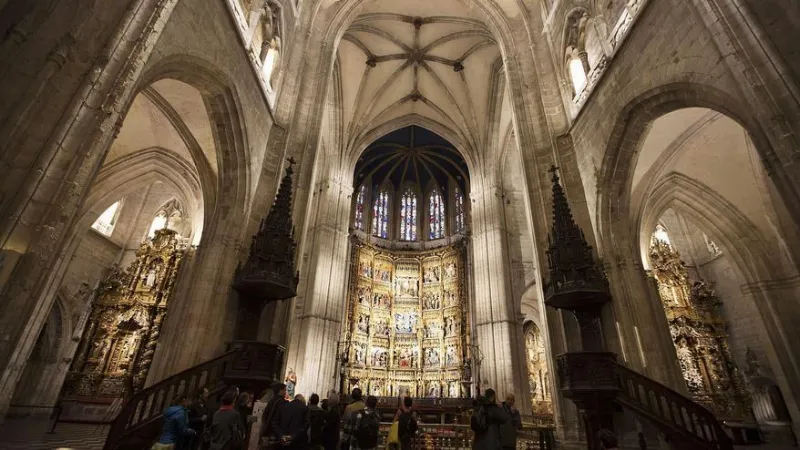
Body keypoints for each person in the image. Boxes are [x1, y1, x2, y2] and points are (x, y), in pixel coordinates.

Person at [259, 383, 288, 448]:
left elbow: (264, 416)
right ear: (280, 391)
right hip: (276, 435)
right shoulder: (282, 403)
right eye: (285, 390)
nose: (285, 392)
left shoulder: (271, 401)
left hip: (268, 433)